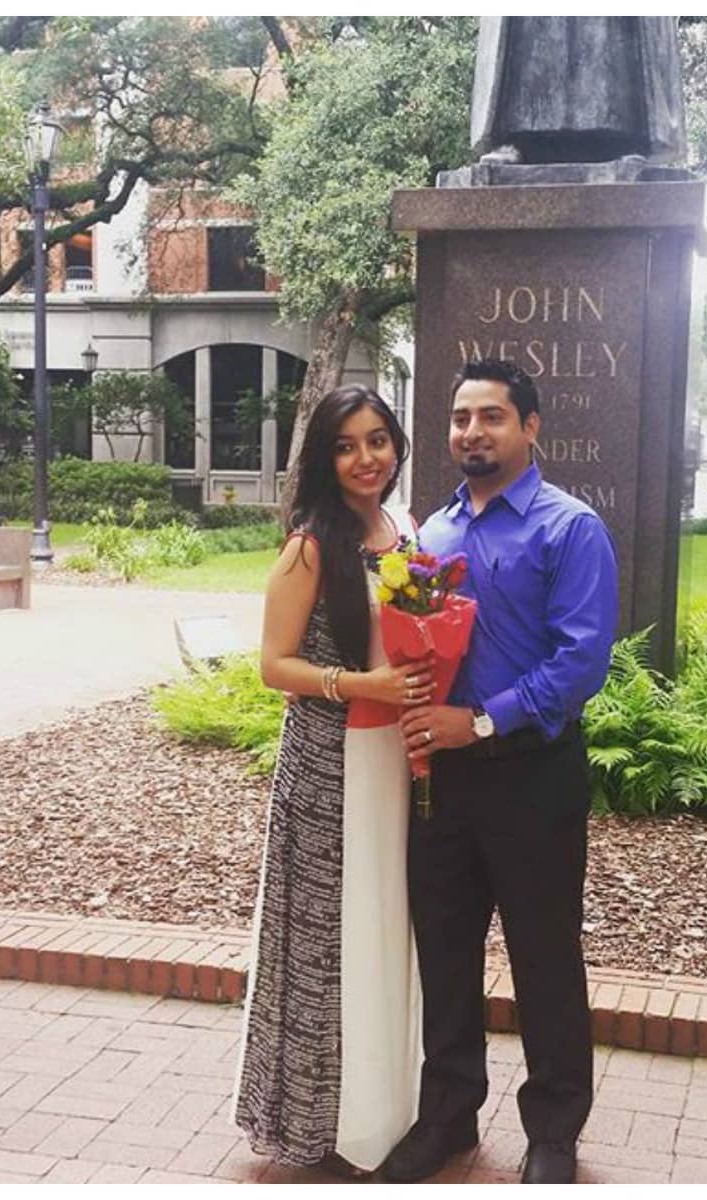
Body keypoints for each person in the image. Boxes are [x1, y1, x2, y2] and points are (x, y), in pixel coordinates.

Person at [379, 358, 618, 1186]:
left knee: (544, 955)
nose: (471, 432)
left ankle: (553, 1132)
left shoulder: (569, 528)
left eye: (491, 417)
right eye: (459, 418)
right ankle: (447, 1115)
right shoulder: (430, 537)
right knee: (443, 953)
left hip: (532, 775)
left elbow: (582, 661)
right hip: (440, 782)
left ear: (531, 427)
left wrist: (479, 719)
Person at [234, 384, 434, 1175]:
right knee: (325, 940)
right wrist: (359, 686)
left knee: (387, 925)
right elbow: (272, 666)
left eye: (377, 440)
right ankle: (321, 1120)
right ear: (325, 456)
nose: (365, 459)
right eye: (346, 445)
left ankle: (389, 1108)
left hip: (398, 758)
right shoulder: (310, 546)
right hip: (328, 763)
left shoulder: (407, 530)